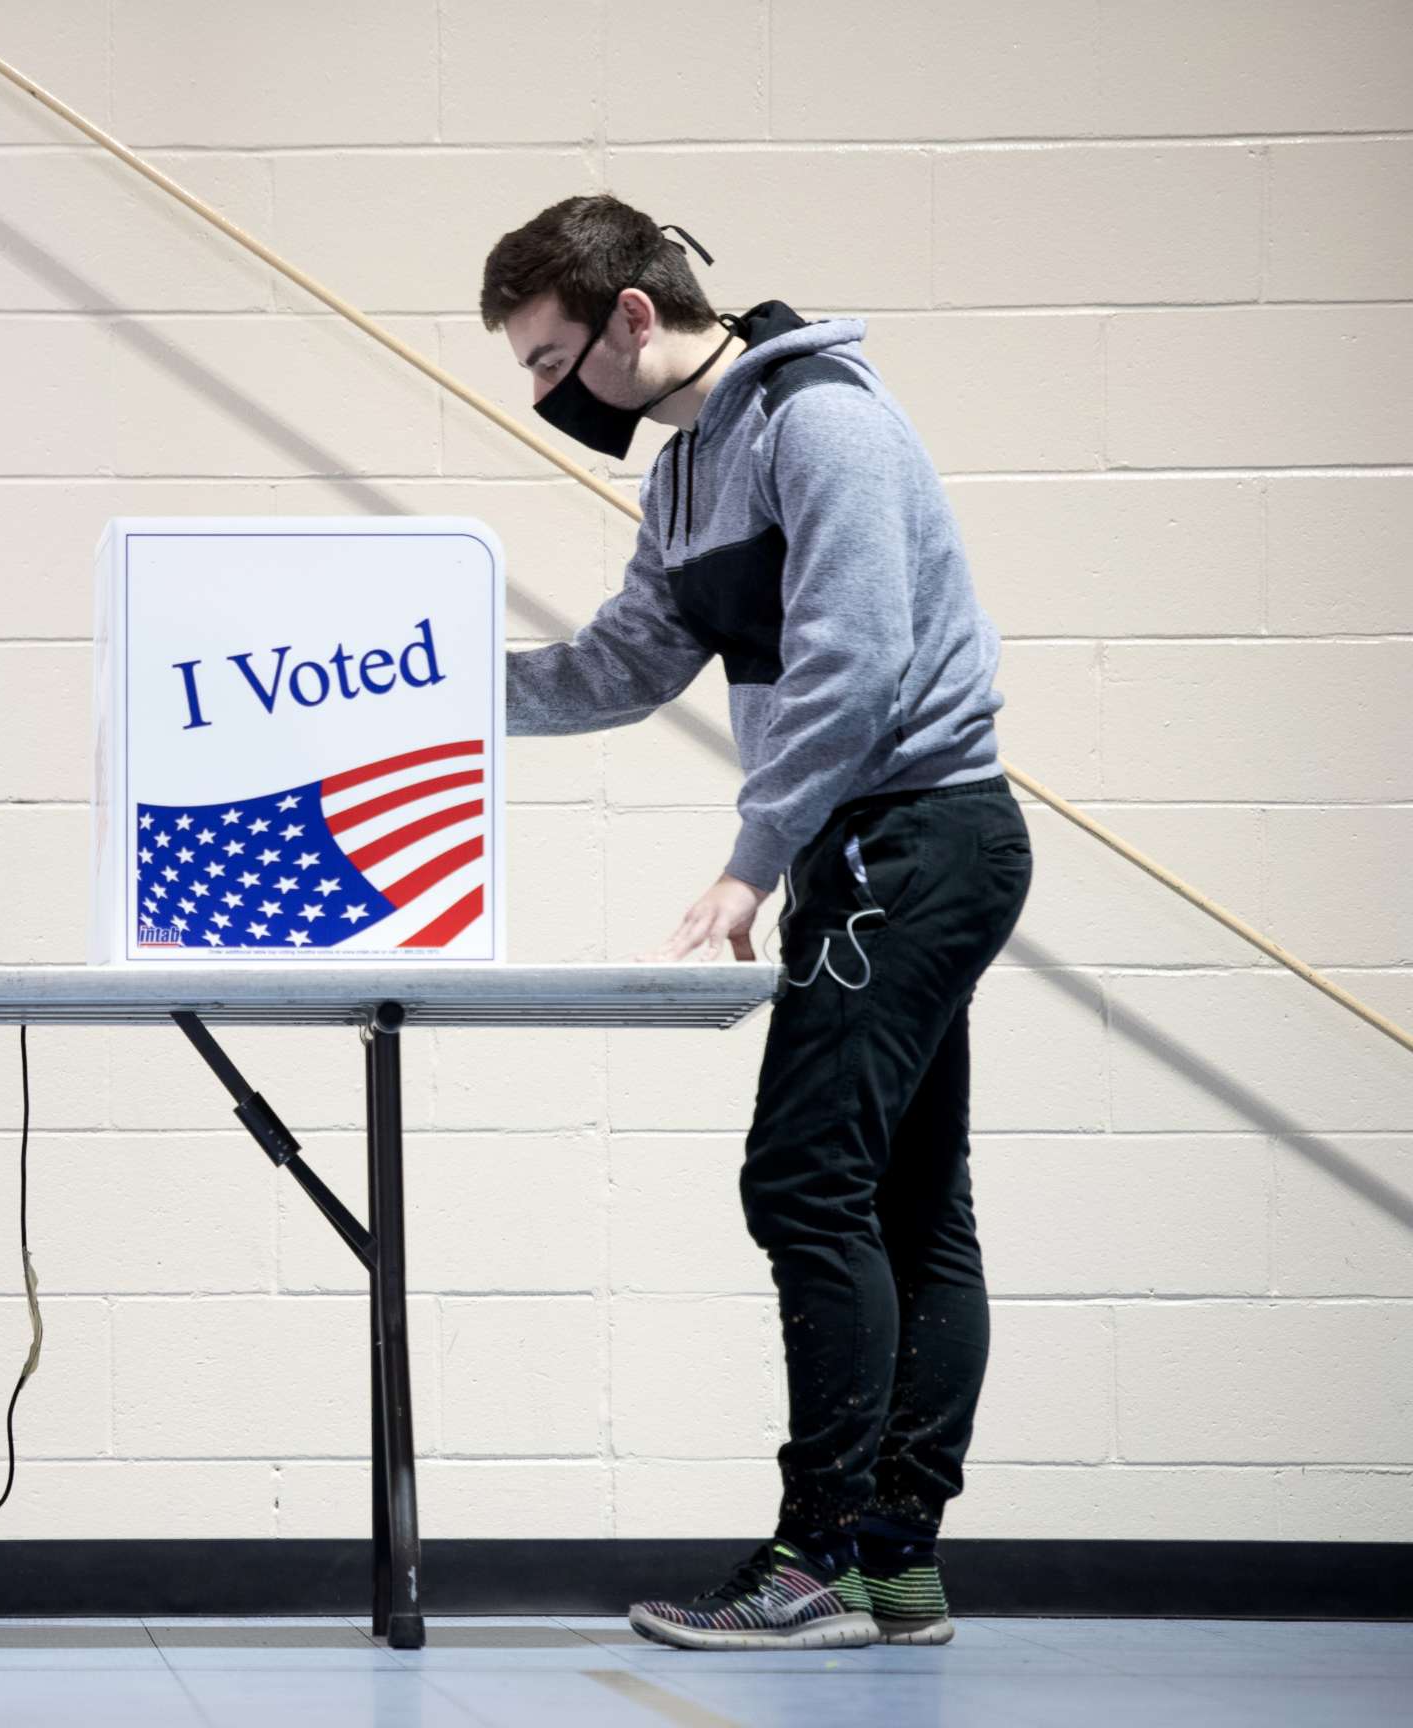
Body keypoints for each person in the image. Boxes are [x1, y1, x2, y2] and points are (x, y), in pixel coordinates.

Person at [480, 194, 1034, 1651]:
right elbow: (623, 665)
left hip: (922, 839)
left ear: (634, 318)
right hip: (866, 848)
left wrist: (753, 856)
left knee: (801, 1182)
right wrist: (440, 692)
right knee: (904, 1201)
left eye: (550, 360)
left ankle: (825, 1558)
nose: (547, 395)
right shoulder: (684, 477)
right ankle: (896, 1567)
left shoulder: (823, 424)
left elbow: (857, 664)